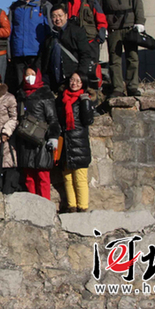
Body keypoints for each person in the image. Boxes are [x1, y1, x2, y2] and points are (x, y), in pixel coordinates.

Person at [95, 0, 146, 97]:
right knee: (114, 59)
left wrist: (140, 22)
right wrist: (102, 27)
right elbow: (98, 9)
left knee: (132, 57)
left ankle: (132, 86)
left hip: (130, 26)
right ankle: (117, 87)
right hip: (113, 28)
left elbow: (138, 4)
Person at [16, 67, 60, 200]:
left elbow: (53, 119)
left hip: (42, 139)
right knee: (29, 176)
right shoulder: (20, 94)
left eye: (33, 74)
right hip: (25, 139)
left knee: (43, 175)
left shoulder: (45, 94)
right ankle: (33, 206)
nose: (30, 77)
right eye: (27, 74)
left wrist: (53, 137)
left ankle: (45, 206)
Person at [56, 72, 95, 212]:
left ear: (83, 84)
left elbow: (88, 120)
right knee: (67, 178)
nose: (74, 83)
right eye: (72, 80)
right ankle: (71, 206)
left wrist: (85, 102)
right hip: (65, 143)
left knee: (80, 179)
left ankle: (83, 207)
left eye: (78, 81)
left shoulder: (84, 99)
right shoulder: (61, 99)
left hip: (79, 143)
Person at [65, 0, 108, 89]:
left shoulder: (91, 1)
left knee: (92, 68)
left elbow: (101, 20)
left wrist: (99, 39)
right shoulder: (65, 2)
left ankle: (93, 94)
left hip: (90, 41)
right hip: (72, 44)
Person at [9, 0, 52, 89]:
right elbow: (10, 31)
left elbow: (51, 30)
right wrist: (9, 52)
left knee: (37, 84)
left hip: (37, 53)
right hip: (19, 53)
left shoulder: (44, 5)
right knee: (21, 85)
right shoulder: (14, 7)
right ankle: (22, 106)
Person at [40, 4, 93, 92]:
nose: (57, 19)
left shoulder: (77, 32)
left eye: (60, 15)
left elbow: (85, 54)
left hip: (71, 80)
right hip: (53, 81)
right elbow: (43, 58)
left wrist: (79, 74)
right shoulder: (50, 36)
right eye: (54, 16)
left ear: (66, 16)